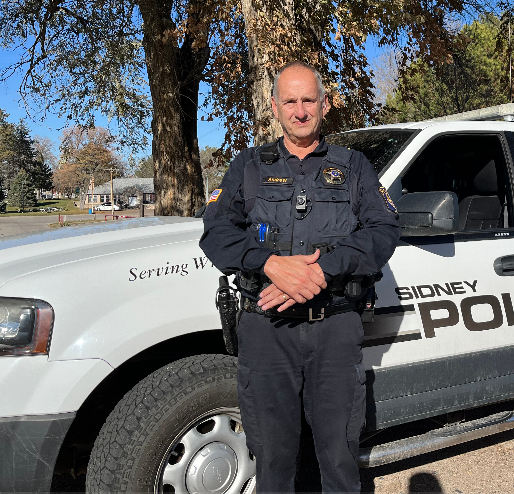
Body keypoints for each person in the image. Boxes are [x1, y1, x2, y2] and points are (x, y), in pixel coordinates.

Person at [199, 61, 402, 492]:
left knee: (340, 457)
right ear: (275, 106)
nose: (300, 110)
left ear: (325, 104)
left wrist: (320, 271)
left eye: (309, 99)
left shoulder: (355, 167)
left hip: (334, 327)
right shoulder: (249, 166)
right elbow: (215, 233)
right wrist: (271, 265)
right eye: (290, 100)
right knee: (272, 461)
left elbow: (384, 230)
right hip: (266, 330)